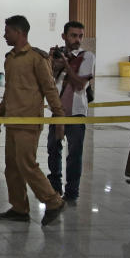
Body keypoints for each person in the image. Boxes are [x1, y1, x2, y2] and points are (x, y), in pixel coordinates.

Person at [0, 15, 67, 226]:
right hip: (13, 122)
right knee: (12, 168)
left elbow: (49, 89)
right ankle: (19, 208)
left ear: (20, 33)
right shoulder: (10, 59)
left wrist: (59, 118)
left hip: (29, 123)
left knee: (27, 165)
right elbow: (9, 92)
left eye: (7, 31)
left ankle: (53, 202)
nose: (4, 35)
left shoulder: (37, 58)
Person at [48, 21, 95, 202]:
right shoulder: (59, 55)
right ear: (64, 36)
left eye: (80, 36)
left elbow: (79, 84)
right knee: (53, 149)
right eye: (73, 35)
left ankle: (72, 191)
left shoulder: (87, 56)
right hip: (58, 111)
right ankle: (54, 186)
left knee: (74, 154)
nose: (77, 40)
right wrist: (53, 62)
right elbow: (48, 79)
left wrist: (67, 65)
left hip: (76, 113)